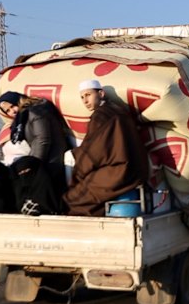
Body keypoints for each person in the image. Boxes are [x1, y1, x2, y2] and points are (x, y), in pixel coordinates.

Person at [63, 79, 149, 216]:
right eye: (82, 97)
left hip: (119, 170)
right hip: (136, 169)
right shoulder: (119, 110)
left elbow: (94, 151)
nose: (85, 101)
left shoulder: (101, 115)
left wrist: (77, 162)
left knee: (73, 198)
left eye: (88, 95)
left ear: (101, 94)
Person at [0, 91, 71, 212]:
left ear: (18, 100)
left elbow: (43, 139)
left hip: (52, 159)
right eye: (8, 111)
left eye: (12, 106)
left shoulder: (35, 111)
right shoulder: (25, 115)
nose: (12, 111)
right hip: (45, 157)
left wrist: (33, 165)